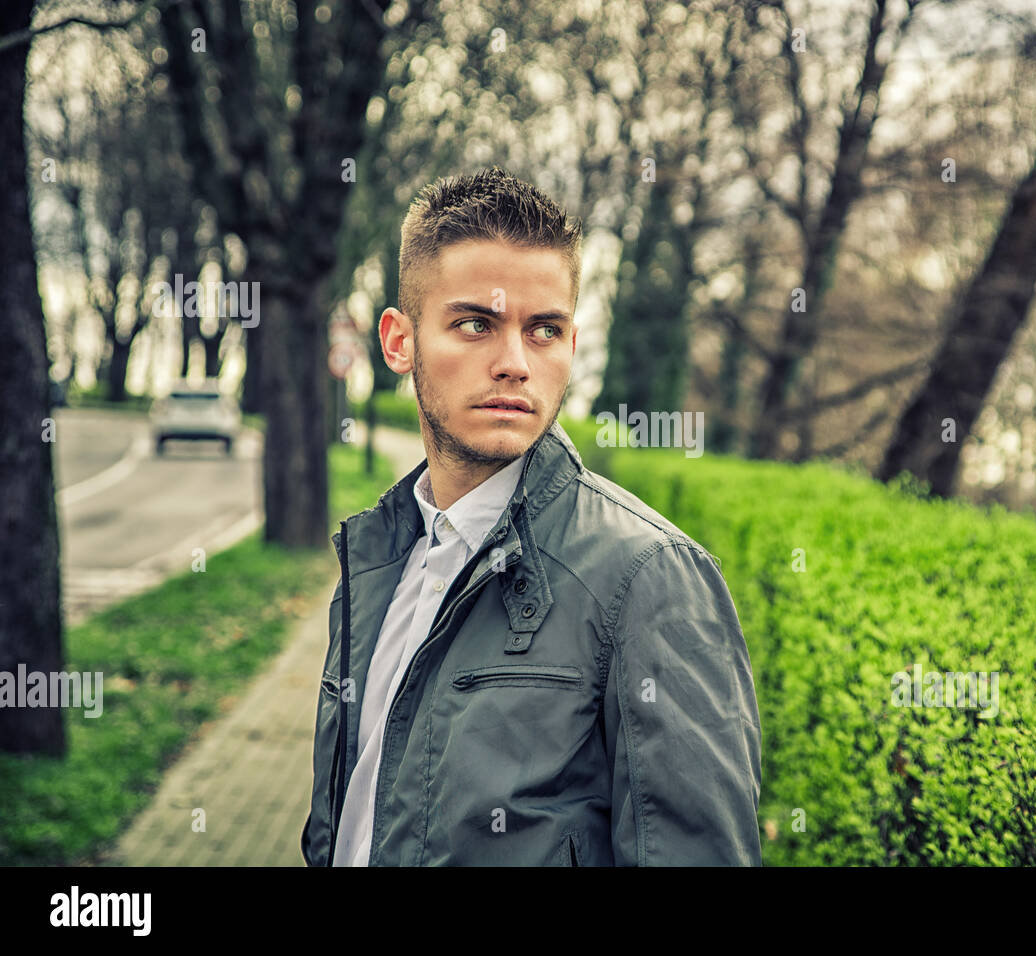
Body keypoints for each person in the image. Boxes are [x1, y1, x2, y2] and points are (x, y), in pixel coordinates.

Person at [301, 167, 762, 866]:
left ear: (571, 348)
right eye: (475, 324)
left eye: (543, 330)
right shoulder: (377, 559)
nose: (513, 362)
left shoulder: (650, 578)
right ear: (399, 342)